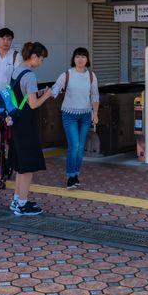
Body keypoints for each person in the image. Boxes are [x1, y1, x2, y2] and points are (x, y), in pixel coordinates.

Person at [7, 41, 53, 216]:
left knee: (20, 165)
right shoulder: (30, 75)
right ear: (34, 56)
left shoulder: (17, 70)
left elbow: (23, 97)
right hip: (27, 124)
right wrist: (47, 95)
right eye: (41, 58)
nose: (41, 62)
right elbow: (34, 104)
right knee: (28, 167)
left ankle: (17, 200)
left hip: (17, 123)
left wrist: (38, 93)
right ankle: (22, 204)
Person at [52, 47, 99, 189]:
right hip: (69, 114)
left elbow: (95, 95)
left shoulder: (91, 76)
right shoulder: (67, 75)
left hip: (85, 114)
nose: (80, 60)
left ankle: (76, 174)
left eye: (83, 57)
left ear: (87, 59)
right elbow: (55, 89)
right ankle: (70, 176)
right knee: (75, 145)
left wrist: (95, 113)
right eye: (78, 56)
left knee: (80, 148)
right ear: (73, 59)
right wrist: (47, 93)